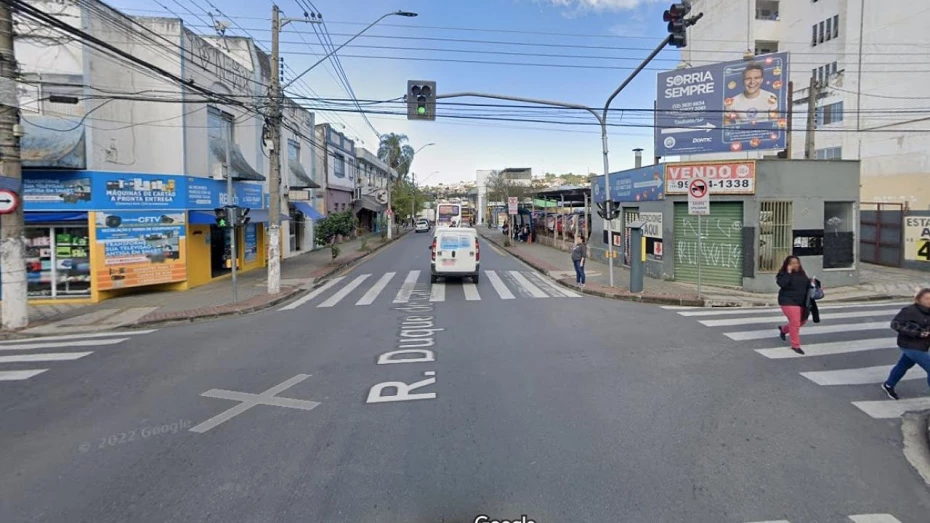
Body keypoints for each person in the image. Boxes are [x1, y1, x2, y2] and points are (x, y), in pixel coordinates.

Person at [881, 289, 930, 400]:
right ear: (919, 299)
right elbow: (895, 324)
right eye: (926, 298)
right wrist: (917, 333)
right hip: (909, 344)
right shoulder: (909, 310)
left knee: (904, 365)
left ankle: (888, 385)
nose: (929, 301)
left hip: (923, 345)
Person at [776, 255, 812, 355]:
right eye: (792, 263)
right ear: (787, 264)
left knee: (802, 321)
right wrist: (788, 272)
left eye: (797, 263)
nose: (795, 265)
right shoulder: (783, 274)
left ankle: (784, 329)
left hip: (801, 301)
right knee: (795, 322)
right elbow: (782, 284)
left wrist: (812, 284)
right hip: (788, 300)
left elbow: (804, 284)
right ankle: (795, 345)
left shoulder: (802, 273)